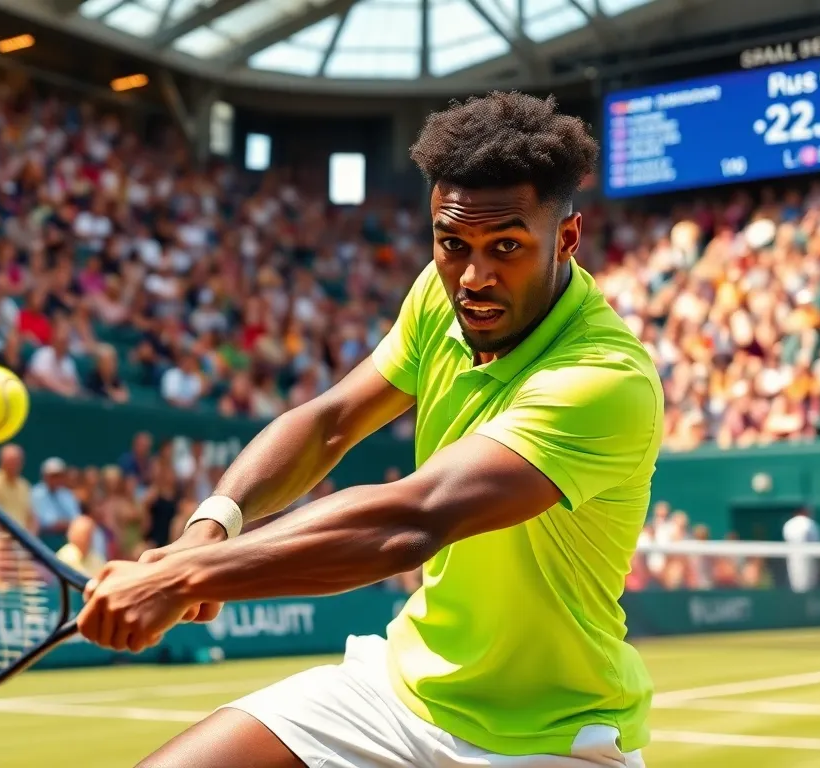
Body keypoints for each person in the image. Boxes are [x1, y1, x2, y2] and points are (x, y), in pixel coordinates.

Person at [76, 93, 659, 768]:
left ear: (566, 238)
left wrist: (186, 578)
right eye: (452, 245)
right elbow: (328, 425)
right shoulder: (437, 300)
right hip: (398, 694)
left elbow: (414, 519)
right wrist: (207, 532)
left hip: (552, 737)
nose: (473, 276)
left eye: (506, 246)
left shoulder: (606, 379)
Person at [782, 505, 820, 593]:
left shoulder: (789, 524)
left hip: (795, 556)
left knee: (797, 580)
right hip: (805, 556)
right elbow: (817, 542)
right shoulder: (810, 523)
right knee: (806, 580)